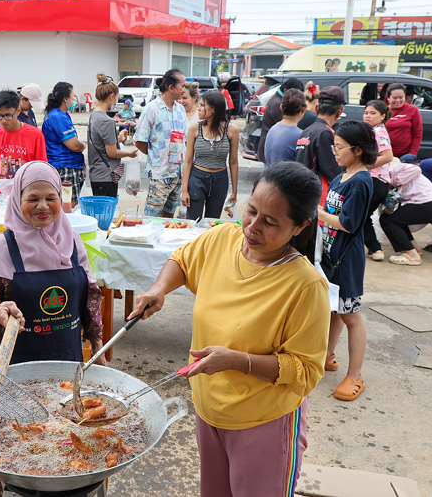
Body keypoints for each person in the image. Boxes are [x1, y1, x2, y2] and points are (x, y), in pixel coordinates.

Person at [129, 161, 329, 497]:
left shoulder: (305, 285)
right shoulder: (224, 238)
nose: (252, 226)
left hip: (264, 422)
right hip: (210, 411)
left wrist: (237, 360)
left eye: (270, 222)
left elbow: (306, 370)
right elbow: (182, 259)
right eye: (251, 210)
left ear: (300, 227)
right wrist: (160, 289)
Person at [0, 160, 104, 364]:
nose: (42, 206)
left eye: (50, 198)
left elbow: (90, 295)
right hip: (16, 368)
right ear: (17, 199)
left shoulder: (73, 241)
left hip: (69, 361)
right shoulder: (2, 248)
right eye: (32, 198)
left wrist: (97, 343)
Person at [316, 121, 376, 402]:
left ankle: (355, 376)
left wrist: (317, 213)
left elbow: (349, 223)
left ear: (358, 150)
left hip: (347, 261)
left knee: (350, 316)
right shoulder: (342, 176)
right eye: (334, 146)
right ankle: (327, 356)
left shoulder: (362, 181)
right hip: (331, 256)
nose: (335, 152)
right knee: (333, 310)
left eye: (339, 147)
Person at [135, 68, 187, 218]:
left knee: (169, 216)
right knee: (152, 217)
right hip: (160, 174)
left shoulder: (180, 110)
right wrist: (155, 154)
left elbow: (184, 139)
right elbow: (140, 141)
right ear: (171, 87)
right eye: (182, 86)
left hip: (177, 172)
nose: (184, 90)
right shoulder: (151, 109)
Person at [181, 90, 239, 220]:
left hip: (220, 181)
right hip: (197, 179)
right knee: (193, 222)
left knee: (212, 223)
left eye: (202, 105)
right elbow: (188, 161)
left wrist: (235, 191)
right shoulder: (195, 129)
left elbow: (233, 162)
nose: (198, 109)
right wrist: (184, 190)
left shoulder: (232, 130)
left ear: (213, 109)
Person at [380, 161, 432, 266]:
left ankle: (412, 255)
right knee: (397, 219)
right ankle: (415, 248)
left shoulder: (397, 169)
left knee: (388, 220)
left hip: (428, 204)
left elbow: (416, 169)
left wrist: (392, 182)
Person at [88, 73, 137, 197]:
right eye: (116, 98)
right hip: (105, 177)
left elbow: (100, 143)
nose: (116, 102)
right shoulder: (107, 121)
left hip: (96, 175)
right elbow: (112, 152)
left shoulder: (94, 115)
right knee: (106, 214)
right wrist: (129, 153)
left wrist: (118, 139)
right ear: (111, 96)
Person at [0, 90, 47, 184]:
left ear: (18, 111)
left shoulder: (35, 134)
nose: (3, 121)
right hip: (2, 189)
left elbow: (41, 167)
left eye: (8, 115)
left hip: (26, 190)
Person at [295, 86, 346, 201]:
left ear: (317, 108)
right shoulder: (326, 133)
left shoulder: (306, 131)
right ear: (340, 111)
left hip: (302, 189)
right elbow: (333, 172)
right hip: (316, 196)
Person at [43, 81, 86, 206]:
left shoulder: (62, 115)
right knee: (68, 207)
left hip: (68, 166)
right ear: (65, 99)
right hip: (65, 168)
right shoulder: (57, 116)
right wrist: (83, 145)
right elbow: (74, 145)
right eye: (73, 96)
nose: (75, 99)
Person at [361, 101, 394, 261]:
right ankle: (374, 248)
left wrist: (364, 166)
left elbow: (388, 156)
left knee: (360, 216)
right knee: (363, 216)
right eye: (366, 112)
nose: (368, 115)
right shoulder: (373, 130)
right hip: (377, 182)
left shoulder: (378, 132)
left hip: (375, 182)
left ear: (382, 116)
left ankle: (375, 249)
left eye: (372, 113)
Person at [257, 77, 304, 163]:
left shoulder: (278, 100)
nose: (297, 98)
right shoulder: (277, 103)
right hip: (275, 154)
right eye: (295, 95)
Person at [385, 84, 423, 160]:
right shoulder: (382, 110)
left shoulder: (413, 110)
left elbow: (417, 133)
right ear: (388, 98)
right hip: (384, 155)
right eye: (394, 98)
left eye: (401, 97)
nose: (398, 100)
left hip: (405, 156)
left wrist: (412, 153)